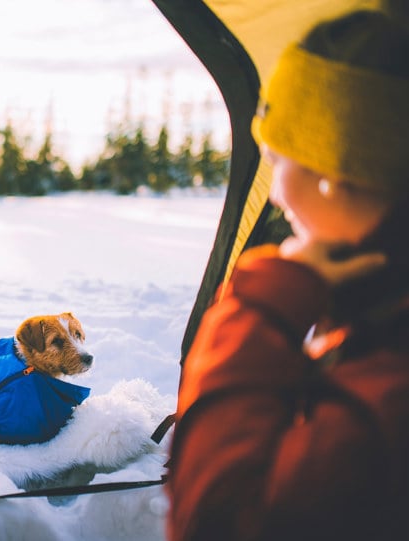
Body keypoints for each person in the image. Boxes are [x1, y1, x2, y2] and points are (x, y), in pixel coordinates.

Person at [165, 9, 409, 541]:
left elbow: (218, 522)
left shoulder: (387, 389)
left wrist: (261, 308)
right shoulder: (379, 311)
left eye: (279, 158)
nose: (275, 192)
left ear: (337, 170)